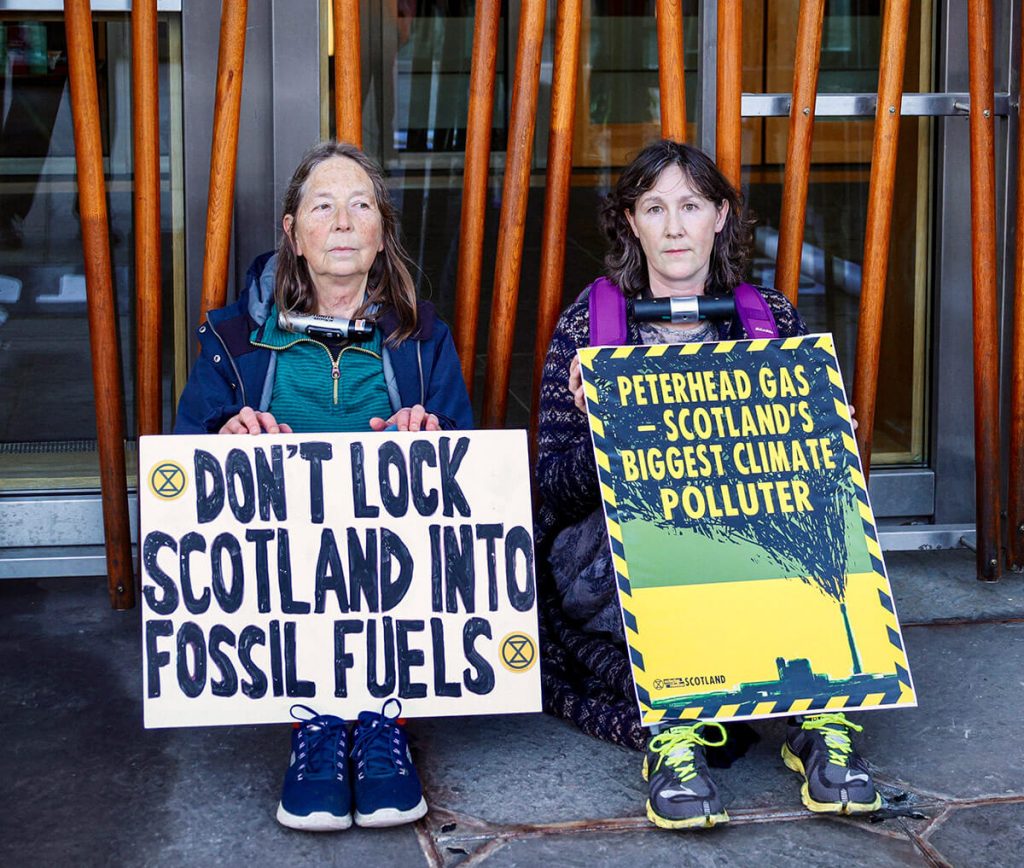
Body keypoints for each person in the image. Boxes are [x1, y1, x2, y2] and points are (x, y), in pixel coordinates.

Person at [535, 139, 877, 830]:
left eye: (690, 206)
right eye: (654, 207)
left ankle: (822, 726)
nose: (673, 226)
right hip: (621, 562)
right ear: (630, 221)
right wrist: (598, 426)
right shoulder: (590, 323)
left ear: (720, 216)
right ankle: (675, 739)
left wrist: (829, 437)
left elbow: (821, 491)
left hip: (747, 558)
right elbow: (552, 493)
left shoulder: (768, 319)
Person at [175, 140, 473, 831]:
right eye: (323, 206)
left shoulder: (422, 337)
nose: (343, 222)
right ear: (293, 231)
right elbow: (184, 470)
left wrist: (430, 430)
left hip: (389, 570)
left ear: (380, 232)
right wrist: (226, 436)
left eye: (361, 205)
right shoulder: (233, 338)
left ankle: (379, 715)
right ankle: (315, 720)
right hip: (284, 575)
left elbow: (468, 469)